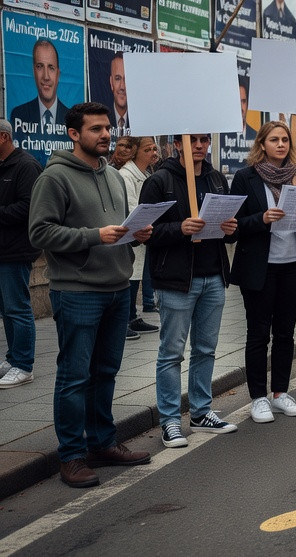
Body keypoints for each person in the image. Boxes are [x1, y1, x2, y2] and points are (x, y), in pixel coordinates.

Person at [30, 102, 153, 487]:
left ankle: (102, 443)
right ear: (73, 134)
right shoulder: (54, 178)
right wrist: (93, 237)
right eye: (96, 129)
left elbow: (116, 227)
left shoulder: (114, 177)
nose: (105, 135)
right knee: (73, 376)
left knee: (105, 372)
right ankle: (71, 456)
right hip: (78, 291)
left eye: (107, 128)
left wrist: (136, 235)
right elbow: (39, 233)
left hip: (118, 289)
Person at [141, 133, 240, 448]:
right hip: (176, 280)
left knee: (206, 349)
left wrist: (229, 230)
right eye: (192, 140)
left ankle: (201, 412)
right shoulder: (160, 182)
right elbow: (144, 232)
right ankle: (170, 421)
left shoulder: (216, 180)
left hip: (213, 277)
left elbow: (225, 231)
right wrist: (179, 228)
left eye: (203, 139)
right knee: (171, 353)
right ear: (176, 143)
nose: (198, 145)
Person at [229, 121, 296, 423]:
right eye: (274, 139)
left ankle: (280, 393)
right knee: (257, 334)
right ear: (261, 144)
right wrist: (262, 218)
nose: (280, 144)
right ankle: (258, 398)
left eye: (285, 140)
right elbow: (234, 226)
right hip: (259, 268)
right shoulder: (245, 177)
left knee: (285, 334)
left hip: (292, 264)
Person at [0, 120, 40, 389]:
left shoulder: (26, 166)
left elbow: (29, 207)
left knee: (17, 308)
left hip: (16, 249)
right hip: (3, 249)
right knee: (7, 309)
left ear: (3, 137)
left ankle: (24, 365)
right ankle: (14, 357)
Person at [112, 136, 159, 339]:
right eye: (148, 149)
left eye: (155, 149)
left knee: (137, 274)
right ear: (135, 151)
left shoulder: (145, 173)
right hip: (130, 235)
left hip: (143, 233)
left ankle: (132, 316)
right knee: (130, 276)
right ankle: (123, 321)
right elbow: (130, 208)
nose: (153, 153)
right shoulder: (126, 175)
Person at [10, 39, 70, 144]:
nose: (46, 77)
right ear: (34, 72)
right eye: (40, 67)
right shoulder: (19, 114)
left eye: (51, 68)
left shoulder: (71, 117)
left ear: (58, 74)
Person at [107, 57, 132, 137]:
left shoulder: (140, 121)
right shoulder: (104, 117)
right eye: (118, 78)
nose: (122, 86)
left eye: (127, 79)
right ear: (111, 83)